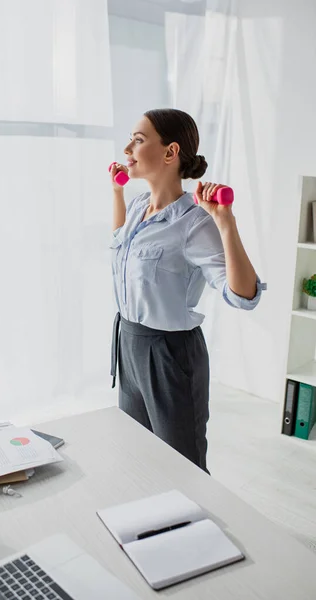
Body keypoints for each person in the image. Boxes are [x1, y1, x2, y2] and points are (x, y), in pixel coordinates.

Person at [109, 108, 265, 474]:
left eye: (139, 139)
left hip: (170, 354)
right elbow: (119, 243)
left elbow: (244, 295)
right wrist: (117, 191)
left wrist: (225, 222)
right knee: (136, 455)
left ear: (169, 152)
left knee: (182, 467)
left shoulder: (193, 223)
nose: (128, 146)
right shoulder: (135, 208)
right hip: (129, 344)